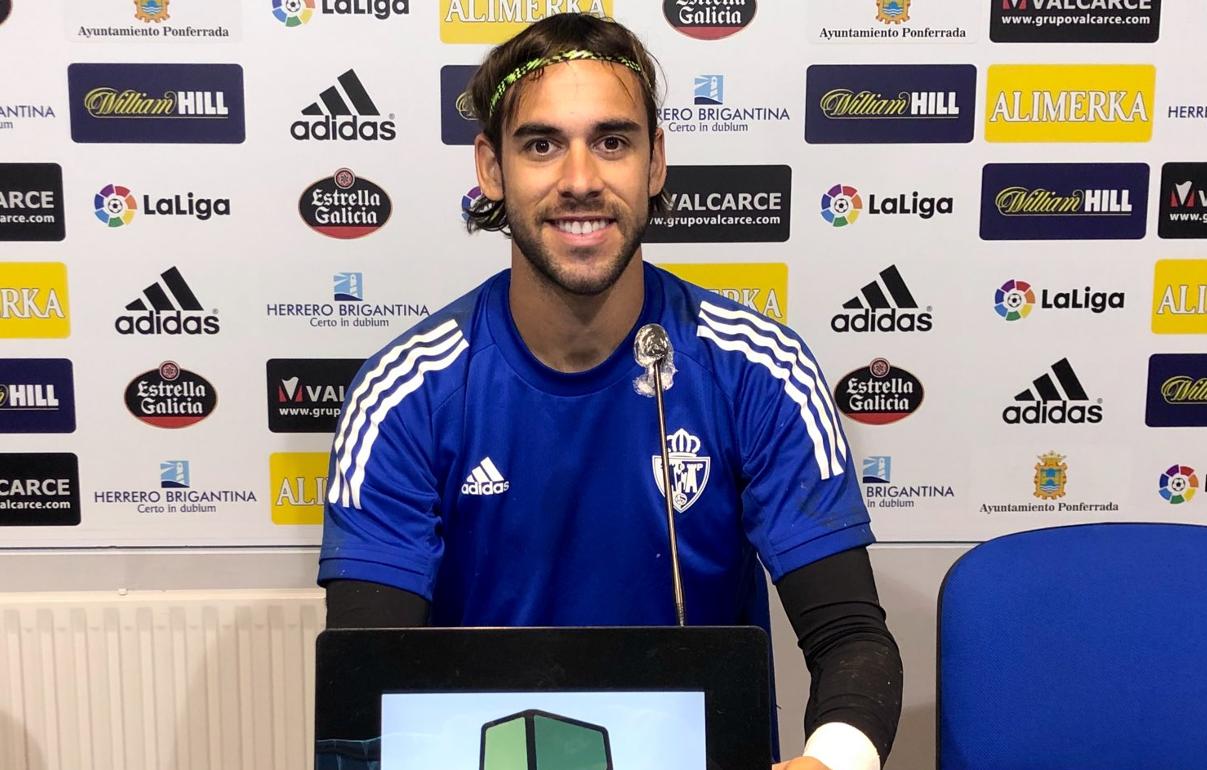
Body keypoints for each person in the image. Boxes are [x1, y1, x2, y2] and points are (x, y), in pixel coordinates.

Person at [318, 13, 902, 770]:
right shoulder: (405, 395)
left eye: (612, 142)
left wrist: (829, 763)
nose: (580, 180)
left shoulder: (758, 369)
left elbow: (852, 641)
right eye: (541, 145)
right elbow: (371, 696)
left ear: (655, 163)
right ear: (491, 169)